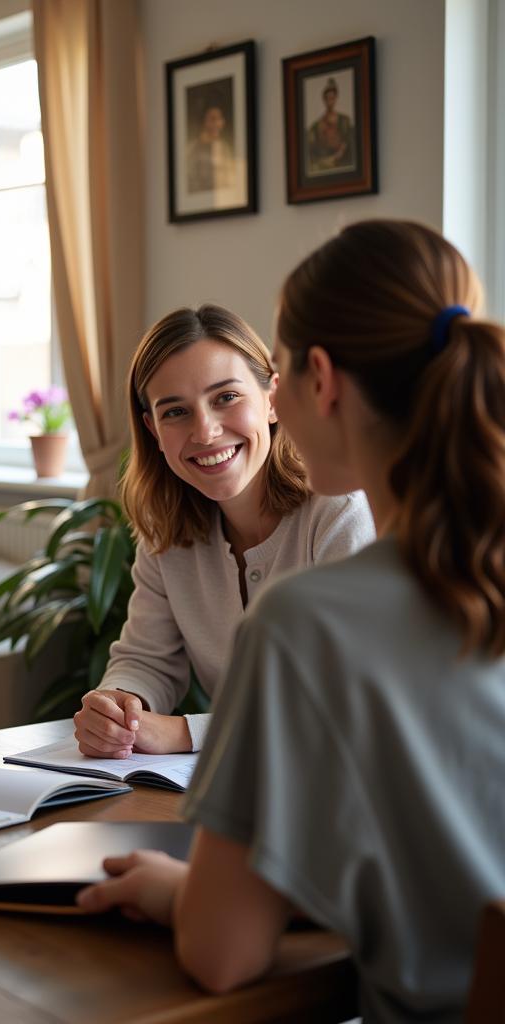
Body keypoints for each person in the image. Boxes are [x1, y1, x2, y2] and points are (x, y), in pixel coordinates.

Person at [77, 220, 505, 1022]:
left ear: (314, 380)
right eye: (173, 412)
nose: (207, 429)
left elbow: (223, 953)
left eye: (241, 391)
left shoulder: (310, 618)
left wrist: (177, 892)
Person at [72, 305, 373, 757]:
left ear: (272, 400)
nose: (206, 431)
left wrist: (182, 734)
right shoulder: (166, 529)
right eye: (175, 412)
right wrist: (120, 708)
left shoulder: (339, 511)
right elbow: (146, 659)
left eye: (226, 397)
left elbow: (347, 698)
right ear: (153, 429)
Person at [307, 77, 354, 174]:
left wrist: (337, 156)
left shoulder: (344, 120)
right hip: (324, 162)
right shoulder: (316, 126)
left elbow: (348, 141)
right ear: (324, 100)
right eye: (328, 98)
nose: (330, 102)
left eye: (332, 98)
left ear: (336, 98)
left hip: (340, 161)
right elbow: (312, 150)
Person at [185, 105, 236, 193]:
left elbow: (230, 179)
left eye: (219, 119)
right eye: (212, 119)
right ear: (204, 121)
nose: (217, 123)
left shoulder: (225, 148)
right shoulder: (190, 149)